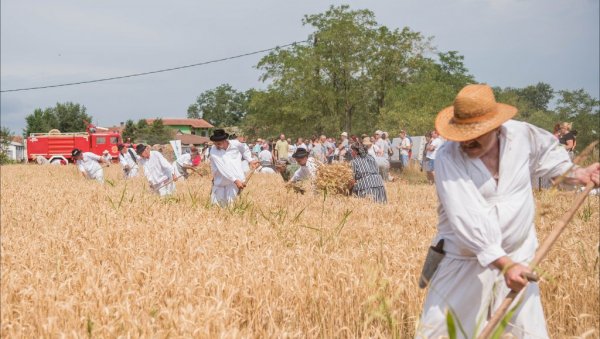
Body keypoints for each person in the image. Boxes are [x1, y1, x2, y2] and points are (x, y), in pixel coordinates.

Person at [416, 84, 600, 338]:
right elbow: (467, 218)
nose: (467, 140)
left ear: (495, 126)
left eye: (475, 132)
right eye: (463, 132)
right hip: (464, 264)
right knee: (442, 332)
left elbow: (551, 159)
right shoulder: (449, 156)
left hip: (520, 258)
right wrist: (503, 264)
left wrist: (579, 173)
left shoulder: (522, 135)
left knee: (523, 333)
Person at [209, 129, 258, 206]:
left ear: (225, 140)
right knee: (216, 207)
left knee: (232, 207)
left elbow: (244, 148)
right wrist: (235, 180)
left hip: (234, 184)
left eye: (218, 143)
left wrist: (250, 160)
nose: (216, 145)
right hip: (220, 183)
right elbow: (223, 168)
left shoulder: (236, 144)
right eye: (215, 143)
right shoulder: (214, 150)